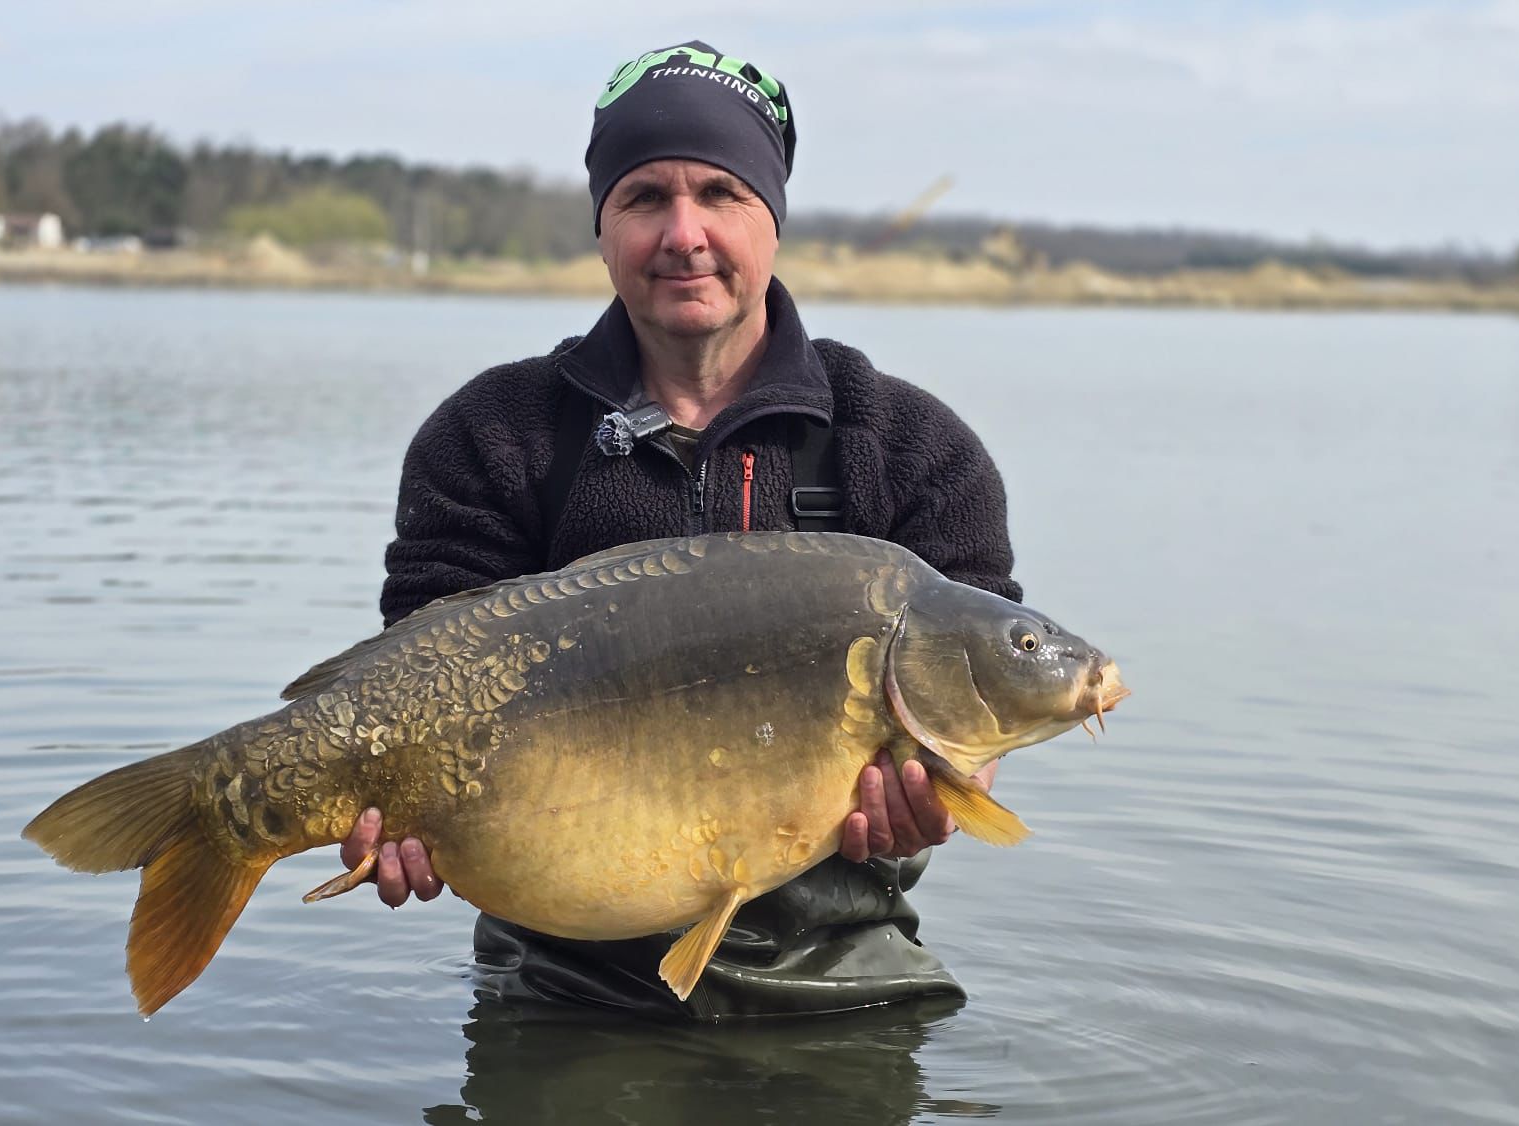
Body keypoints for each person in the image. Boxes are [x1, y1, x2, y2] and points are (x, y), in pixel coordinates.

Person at [341, 40, 1024, 1018]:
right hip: (558, 989)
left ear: (772, 217)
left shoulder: (913, 449)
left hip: (841, 987)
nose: (683, 233)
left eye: (720, 193)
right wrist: (398, 817)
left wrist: (946, 790)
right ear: (602, 226)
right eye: (644, 197)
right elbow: (411, 690)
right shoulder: (492, 434)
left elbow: (975, 707)